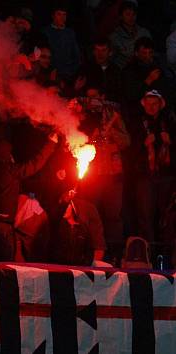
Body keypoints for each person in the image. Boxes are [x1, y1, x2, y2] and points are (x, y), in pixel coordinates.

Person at [0, 133, 58, 261]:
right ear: (6, 154)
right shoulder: (11, 170)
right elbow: (35, 164)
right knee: (5, 268)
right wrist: (51, 143)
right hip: (4, 228)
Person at [72, 87, 130, 261]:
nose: (92, 101)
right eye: (89, 98)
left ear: (102, 97)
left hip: (112, 175)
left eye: (95, 97)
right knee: (90, 215)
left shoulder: (113, 117)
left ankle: (114, 256)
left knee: (113, 217)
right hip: (92, 176)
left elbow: (126, 141)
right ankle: (89, 253)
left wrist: (110, 131)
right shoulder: (82, 116)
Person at [127, 90, 175, 243]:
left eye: (155, 104)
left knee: (166, 216)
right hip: (144, 175)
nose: (151, 107)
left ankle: (166, 253)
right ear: (144, 104)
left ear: (160, 105)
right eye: (148, 104)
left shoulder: (169, 121)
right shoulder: (137, 122)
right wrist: (143, 144)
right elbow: (129, 149)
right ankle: (148, 254)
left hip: (166, 175)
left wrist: (171, 141)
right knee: (145, 217)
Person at [50, 190, 107, 266]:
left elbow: (98, 247)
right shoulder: (57, 225)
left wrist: (89, 272)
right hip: (59, 269)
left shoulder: (83, 227)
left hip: (80, 270)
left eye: (67, 206)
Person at [41, 5, 81, 81]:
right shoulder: (45, 32)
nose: (62, 17)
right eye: (59, 14)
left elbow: (76, 55)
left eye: (64, 14)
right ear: (53, 16)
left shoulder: (70, 33)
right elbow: (41, 55)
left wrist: (71, 71)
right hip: (49, 73)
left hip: (68, 74)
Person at [109, 1, 152, 69]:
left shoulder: (144, 32)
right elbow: (111, 60)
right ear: (121, 16)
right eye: (128, 14)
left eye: (133, 14)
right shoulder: (115, 37)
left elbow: (151, 54)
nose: (131, 17)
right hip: (125, 74)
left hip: (145, 70)